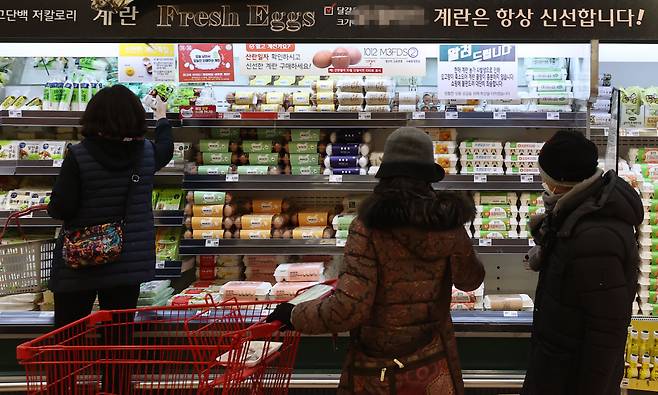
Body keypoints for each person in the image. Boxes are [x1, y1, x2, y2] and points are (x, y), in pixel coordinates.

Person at [268, 127, 485, 395]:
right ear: (428, 175)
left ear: (386, 173)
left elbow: (349, 307)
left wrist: (295, 314)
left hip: (377, 369)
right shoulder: (447, 223)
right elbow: (470, 280)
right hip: (431, 363)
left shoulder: (368, 226)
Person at [522, 130, 643, 395]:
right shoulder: (575, 212)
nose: (542, 181)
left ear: (560, 181)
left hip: (572, 376)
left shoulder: (595, 236)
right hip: (559, 363)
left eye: (544, 175)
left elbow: (606, 332)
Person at [47, 84, 174, 328]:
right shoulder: (147, 153)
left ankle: (70, 368)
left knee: (67, 339)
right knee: (117, 340)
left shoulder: (79, 155)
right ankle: (115, 368)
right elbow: (166, 150)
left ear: (94, 116)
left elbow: (61, 208)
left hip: (79, 262)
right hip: (125, 265)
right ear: (136, 117)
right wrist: (162, 118)